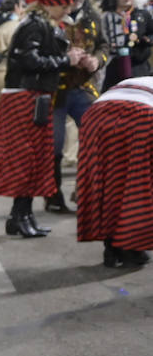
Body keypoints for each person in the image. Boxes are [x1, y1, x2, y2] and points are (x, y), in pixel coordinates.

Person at [0, 0, 81, 239]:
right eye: (63, 5)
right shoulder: (34, 25)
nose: (66, 10)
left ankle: (22, 215)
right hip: (25, 99)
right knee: (25, 160)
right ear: (50, 3)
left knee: (34, 160)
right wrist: (66, 60)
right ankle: (19, 216)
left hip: (34, 97)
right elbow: (30, 61)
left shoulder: (42, 25)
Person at [45, 0, 109, 215]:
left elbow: (104, 46)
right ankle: (53, 195)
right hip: (55, 92)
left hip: (84, 88)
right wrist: (65, 58)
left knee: (100, 136)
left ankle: (86, 192)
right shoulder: (49, 19)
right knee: (55, 147)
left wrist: (97, 60)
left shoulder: (94, 17)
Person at [75, 76, 153, 267]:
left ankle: (111, 246)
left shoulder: (141, 78)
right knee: (137, 183)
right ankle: (131, 246)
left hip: (98, 113)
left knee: (107, 180)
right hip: (143, 114)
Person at [99, 0, 153, 90]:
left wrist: (147, 40)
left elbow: (151, 32)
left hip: (139, 65)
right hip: (114, 66)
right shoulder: (107, 17)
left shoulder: (143, 14)